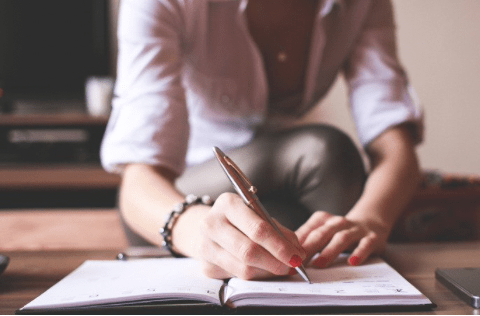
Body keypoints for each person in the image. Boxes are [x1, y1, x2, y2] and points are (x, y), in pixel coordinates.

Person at [101, 0, 423, 280]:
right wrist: (198, 232)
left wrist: (371, 219)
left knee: (319, 192)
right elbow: (138, 184)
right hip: (175, 213)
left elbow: (394, 145)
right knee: (325, 154)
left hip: (283, 197)